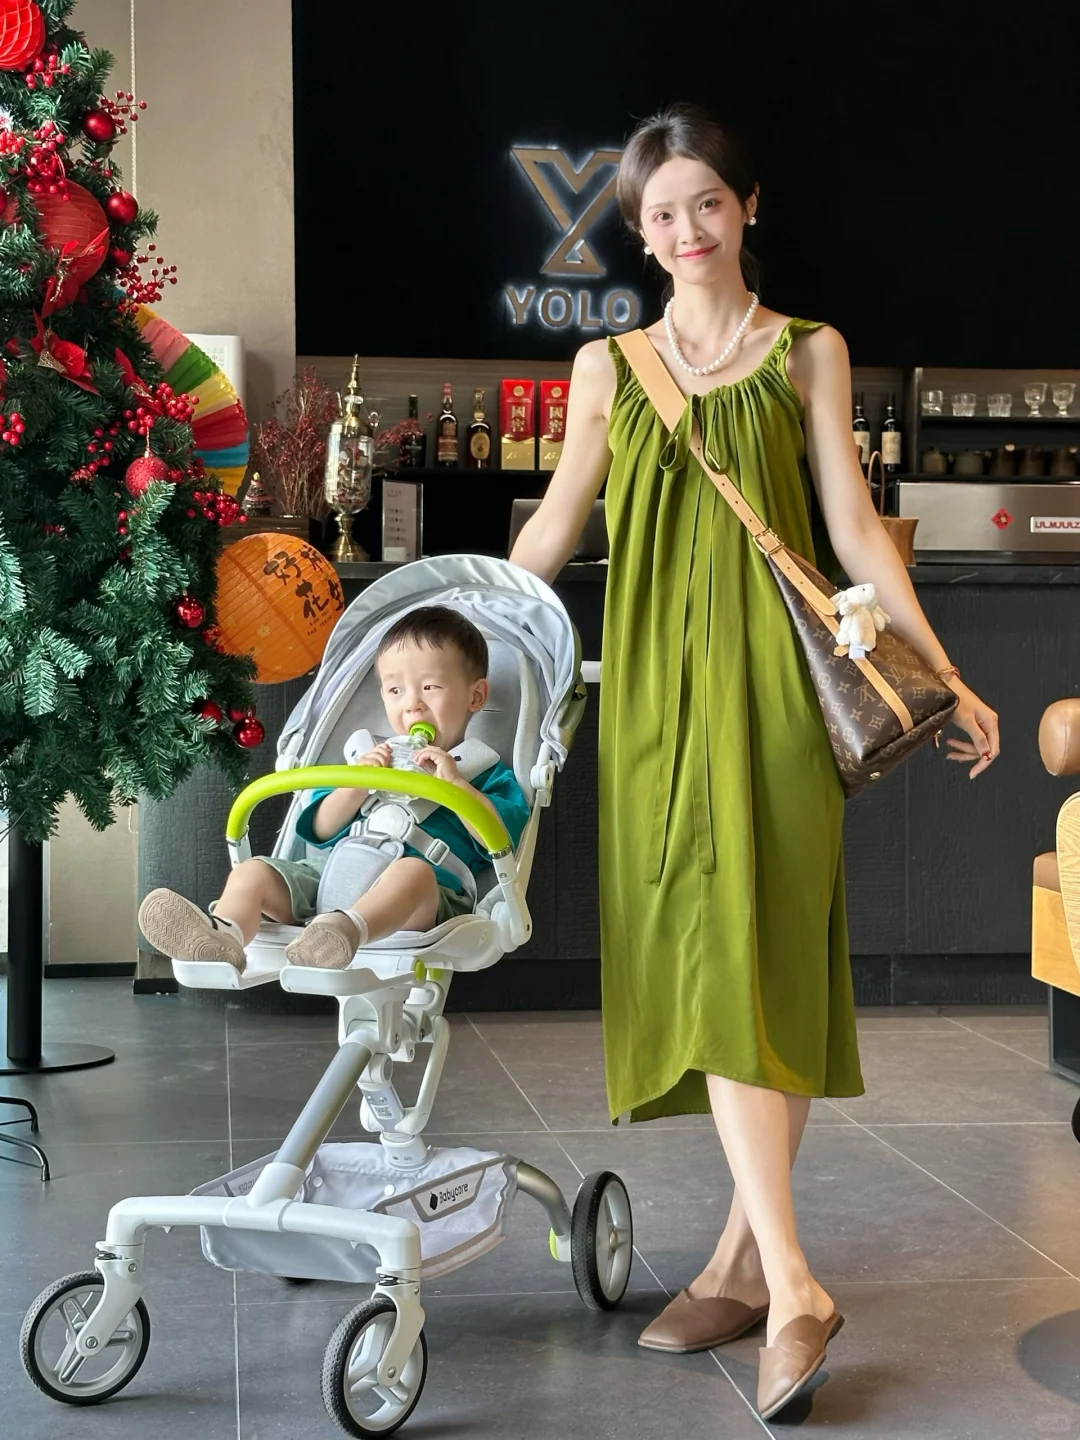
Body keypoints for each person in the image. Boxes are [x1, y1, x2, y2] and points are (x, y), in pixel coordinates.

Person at [509, 103, 1000, 1419]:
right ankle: (743, 1263)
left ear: (748, 206)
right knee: (716, 961)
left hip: (780, 699)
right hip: (655, 706)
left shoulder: (807, 353)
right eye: (662, 213)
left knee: (755, 960)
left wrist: (942, 671)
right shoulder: (609, 368)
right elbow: (554, 524)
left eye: (707, 205)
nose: (686, 231)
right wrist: (475, 627)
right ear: (639, 228)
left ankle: (787, 1285)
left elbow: (855, 528)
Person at [138, 606, 530, 973]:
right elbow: (320, 829)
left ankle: (346, 932)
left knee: (412, 873)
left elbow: (500, 843)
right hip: (328, 878)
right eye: (395, 691)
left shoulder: (484, 772)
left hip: (424, 897)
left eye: (430, 687)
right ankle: (224, 935)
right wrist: (354, 786)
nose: (412, 705)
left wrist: (457, 786)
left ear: (476, 696)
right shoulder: (365, 759)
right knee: (253, 871)